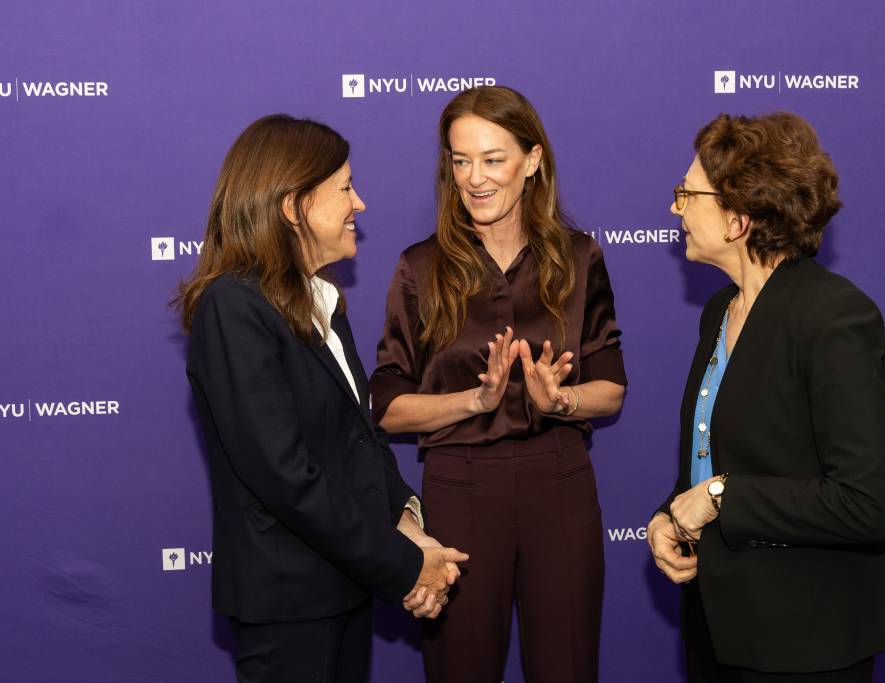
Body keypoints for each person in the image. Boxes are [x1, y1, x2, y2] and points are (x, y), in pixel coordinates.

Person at [175, 114, 467, 683]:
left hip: (343, 587)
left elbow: (362, 438)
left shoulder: (318, 301)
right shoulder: (233, 308)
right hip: (288, 605)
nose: (359, 203)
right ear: (293, 205)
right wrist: (404, 566)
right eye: (344, 188)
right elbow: (285, 476)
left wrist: (405, 519)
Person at [370, 86, 627, 683]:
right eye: (461, 161)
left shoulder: (579, 257)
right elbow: (385, 408)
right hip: (461, 487)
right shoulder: (421, 267)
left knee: (567, 667)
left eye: (492, 159)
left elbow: (610, 387)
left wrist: (559, 400)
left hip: (560, 481)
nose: (474, 178)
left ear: (532, 161)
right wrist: (475, 400)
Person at [647, 112, 885, 682]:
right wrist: (672, 514)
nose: (675, 208)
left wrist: (717, 497)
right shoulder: (720, 312)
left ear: (738, 219)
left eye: (687, 194)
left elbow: (867, 501)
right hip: (720, 624)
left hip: (805, 639)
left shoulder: (833, 316)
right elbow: (725, 453)